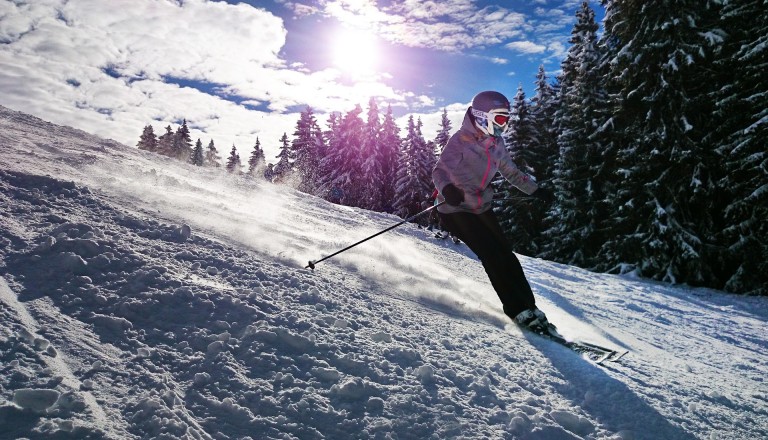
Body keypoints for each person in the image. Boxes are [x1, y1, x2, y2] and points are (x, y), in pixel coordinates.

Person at [432, 90, 554, 334]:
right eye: (499, 119)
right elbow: (439, 171)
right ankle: (516, 309)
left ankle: (531, 307)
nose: (504, 125)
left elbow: (510, 171)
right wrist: (447, 189)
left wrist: (534, 190)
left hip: (480, 206)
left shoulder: (497, 144)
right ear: (481, 116)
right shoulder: (460, 140)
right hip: (454, 208)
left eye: (506, 119)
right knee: (492, 254)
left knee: (506, 255)